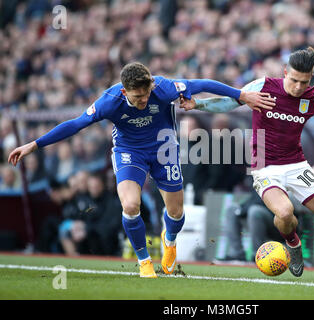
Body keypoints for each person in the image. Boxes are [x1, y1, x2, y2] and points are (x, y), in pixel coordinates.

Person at [8, 62, 275, 278]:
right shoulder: (109, 101)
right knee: (131, 205)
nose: (145, 99)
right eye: (138, 96)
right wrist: (35, 144)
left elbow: (203, 84)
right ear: (124, 92)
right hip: (129, 153)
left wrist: (242, 95)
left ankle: (169, 241)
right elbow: (76, 124)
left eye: (147, 93)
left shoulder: (164, 87)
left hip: (164, 150)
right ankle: (144, 261)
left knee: (176, 212)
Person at [180, 47, 314, 283]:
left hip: (297, 165)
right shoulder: (263, 86)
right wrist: (199, 105)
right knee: (284, 212)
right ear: (285, 72)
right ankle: (293, 243)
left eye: (303, 82)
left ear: (311, 78)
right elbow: (229, 103)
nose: (297, 87)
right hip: (264, 167)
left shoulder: (313, 98)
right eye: (293, 80)